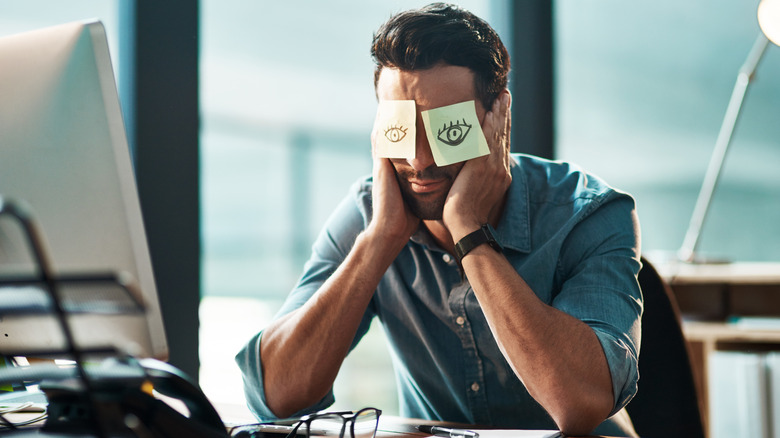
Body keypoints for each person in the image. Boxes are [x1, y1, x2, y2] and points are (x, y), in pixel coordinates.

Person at [237, 3, 642, 436]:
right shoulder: (369, 214)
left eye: (448, 130)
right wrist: (378, 241)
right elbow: (275, 399)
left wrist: (469, 233)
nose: (419, 160)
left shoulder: (589, 213)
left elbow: (579, 405)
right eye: (402, 129)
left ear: (497, 117)